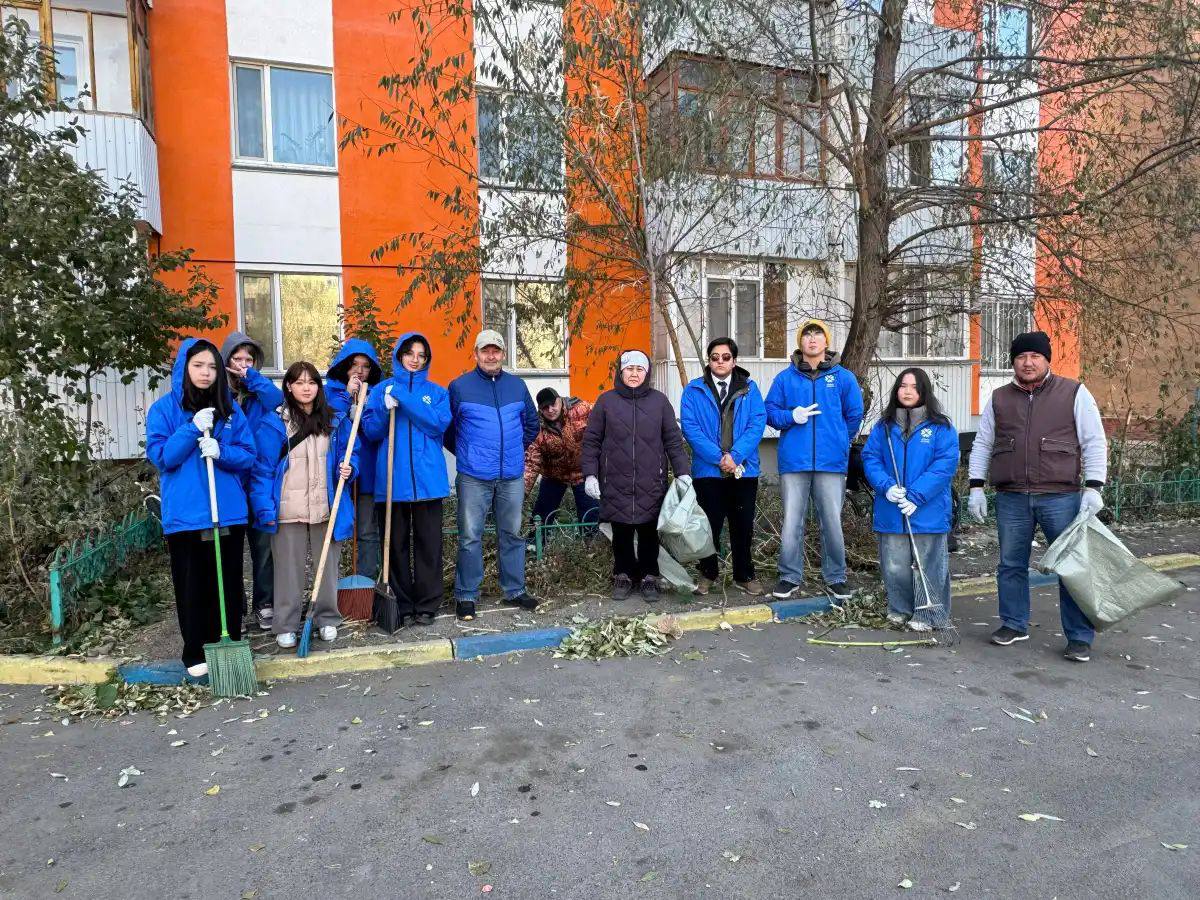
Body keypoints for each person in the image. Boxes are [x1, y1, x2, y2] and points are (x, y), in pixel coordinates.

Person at [966, 331, 1107, 663]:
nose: (1027, 363)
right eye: (1020, 357)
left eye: (1034, 357)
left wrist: (1094, 487)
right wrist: (975, 486)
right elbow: (984, 443)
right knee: (1011, 565)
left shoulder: (1074, 392)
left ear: (1047, 360)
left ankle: (1079, 636)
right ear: (1012, 361)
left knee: (1071, 567)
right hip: (1012, 496)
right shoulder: (999, 398)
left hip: (1061, 496)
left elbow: (1094, 440)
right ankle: (1014, 624)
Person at [146, 338, 257, 678]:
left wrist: (221, 451)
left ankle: (229, 643)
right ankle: (195, 649)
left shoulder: (230, 409)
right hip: (186, 516)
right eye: (198, 366)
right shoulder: (164, 410)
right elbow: (163, 458)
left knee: (226, 583)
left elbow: (248, 456)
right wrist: (190, 429)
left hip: (227, 511)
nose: (206, 373)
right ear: (184, 368)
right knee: (193, 586)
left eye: (211, 367)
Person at [250, 362, 358, 650]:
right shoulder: (275, 422)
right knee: (288, 569)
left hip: (325, 503)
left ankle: (327, 619)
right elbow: (262, 469)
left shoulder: (333, 421)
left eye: (312, 382)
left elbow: (350, 452)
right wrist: (263, 507)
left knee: (328, 569)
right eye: (299, 382)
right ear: (288, 386)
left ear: (318, 387)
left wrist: (349, 468)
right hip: (288, 508)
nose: (306, 387)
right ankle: (285, 623)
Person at [764, 319, 864, 601]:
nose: (812, 339)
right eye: (806, 334)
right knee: (791, 522)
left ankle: (836, 577)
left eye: (817, 334)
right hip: (794, 462)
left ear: (826, 342)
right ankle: (789, 577)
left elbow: (855, 413)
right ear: (800, 342)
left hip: (831, 463)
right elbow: (770, 412)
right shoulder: (785, 378)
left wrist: (840, 440)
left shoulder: (843, 378)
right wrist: (791, 416)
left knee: (831, 521)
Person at [445, 329, 541, 620]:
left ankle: (514, 590)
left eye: (496, 351)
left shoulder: (516, 385)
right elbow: (448, 431)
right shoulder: (460, 386)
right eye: (485, 351)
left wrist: (513, 450)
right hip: (474, 475)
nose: (490, 356)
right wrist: (469, 452)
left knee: (512, 534)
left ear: (502, 354)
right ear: (475, 354)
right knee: (470, 537)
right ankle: (466, 595)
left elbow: (532, 424)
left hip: (511, 476)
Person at [581, 350, 691, 601]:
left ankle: (649, 576)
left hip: (651, 481)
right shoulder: (606, 402)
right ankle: (623, 575)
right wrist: (590, 475)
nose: (634, 374)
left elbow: (673, 441)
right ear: (621, 372)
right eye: (629, 369)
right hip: (615, 481)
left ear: (647, 373)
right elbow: (591, 442)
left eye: (639, 369)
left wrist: (683, 472)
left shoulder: (659, 402)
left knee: (649, 532)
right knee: (620, 532)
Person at [362, 333, 452, 628]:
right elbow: (372, 432)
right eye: (409, 353)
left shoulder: (437, 393)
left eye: (421, 354)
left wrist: (404, 398)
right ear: (399, 355)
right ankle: (399, 603)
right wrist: (382, 410)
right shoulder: (380, 391)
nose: (415, 359)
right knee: (395, 546)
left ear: (427, 359)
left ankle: (427, 604)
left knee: (428, 546)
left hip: (428, 482)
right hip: (392, 483)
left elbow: (436, 423)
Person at [861, 368, 959, 631]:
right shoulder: (884, 427)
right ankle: (901, 608)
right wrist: (886, 487)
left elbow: (944, 465)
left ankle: (931, 614)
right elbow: (871, 458)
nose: (907, 391)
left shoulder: (941, 428)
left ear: (923, 391)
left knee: (929, 565)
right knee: (894, 565)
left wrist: (916, 495)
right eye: (903, 386)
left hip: (927, 510)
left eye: (914, 387)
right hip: (891, 509)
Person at [680, 337, 767, 595]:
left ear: (734, 360)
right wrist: (720, 458)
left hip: (743, 470)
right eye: (715, 357)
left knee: (742, 526)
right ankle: (708, 574)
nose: (720, 361)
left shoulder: (750, 389)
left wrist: (735, 456)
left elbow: (756, 424)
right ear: (709, 361)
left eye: (725, 357)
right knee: (709, 527)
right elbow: (691, 429)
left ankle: (744, 574)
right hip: (709, 472)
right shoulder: (694, 390)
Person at [219, 331, 284, 632]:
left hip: (258, 481)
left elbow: (278, 398)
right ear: (226, 360)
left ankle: (264, 604)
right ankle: (235, 609)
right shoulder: (218, 393)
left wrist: (252, 378)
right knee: (230, 550)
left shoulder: (260, 393)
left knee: (264, 548)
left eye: (249, 359)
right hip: (229, 479)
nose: (243, 364)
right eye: (238, 359)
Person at [326, 339, 384, 579]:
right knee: (331, 531)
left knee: (367, 531)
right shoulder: (329, 392)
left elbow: (377, 432)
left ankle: (366, 584)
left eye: (365, 366)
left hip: (367, 473)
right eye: (354, 365)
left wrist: (364, 406)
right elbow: (327, 422)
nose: (359, 371)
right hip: (335, 472)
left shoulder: (375, 396)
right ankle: (330, 586)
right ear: (344, 367)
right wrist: (347, 397)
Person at [524, 387, 598, 531]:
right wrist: (520, 494)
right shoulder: (537, 428)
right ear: (540, 409)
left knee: (591, 515)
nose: (551, 410)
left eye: (553, 404)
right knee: (542, 515)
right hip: (554, 475)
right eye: (545, 407)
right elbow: (531, 464)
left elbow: (605, 416)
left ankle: (592, 548)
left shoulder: (581, 409)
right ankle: (534, 546)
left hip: (583, 473)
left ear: (560, 400)